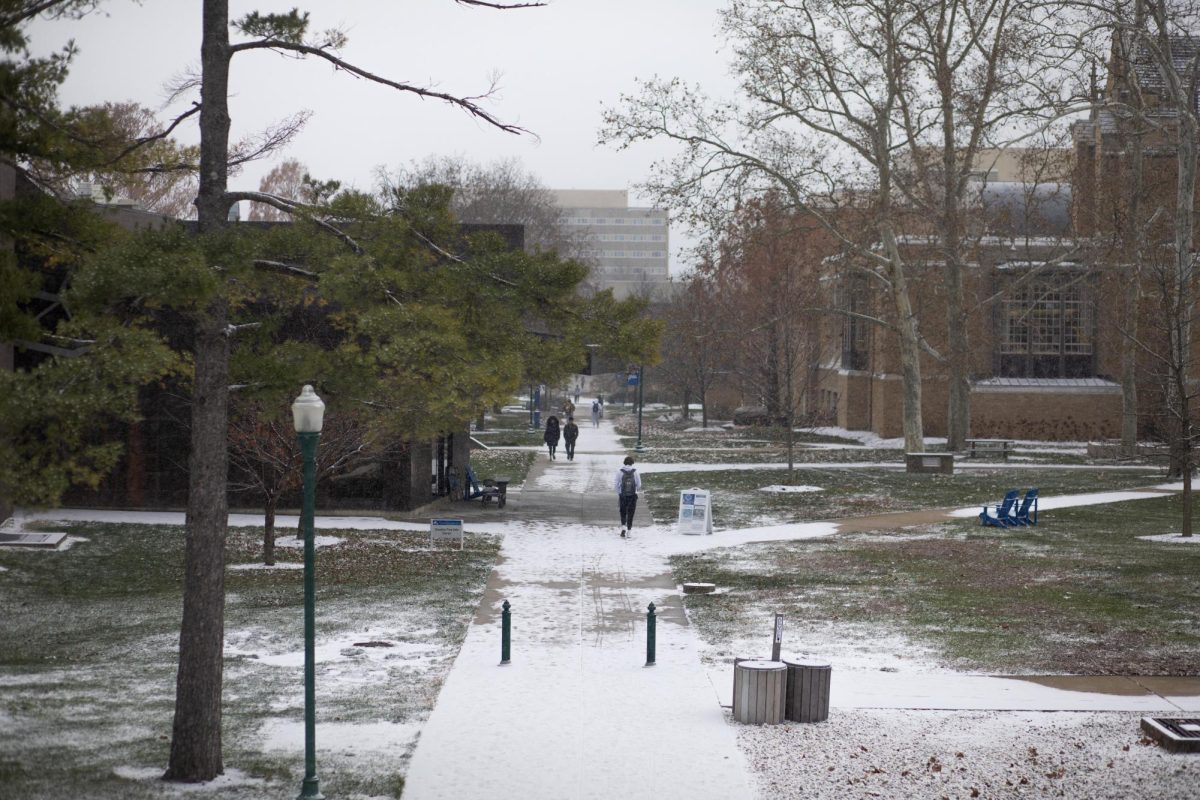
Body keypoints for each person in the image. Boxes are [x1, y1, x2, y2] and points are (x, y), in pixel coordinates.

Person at [613, 455, 641, 537]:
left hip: (623, 495)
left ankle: (623, 527)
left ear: (624, 462)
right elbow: (639, 484)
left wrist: (619, 492)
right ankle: (629, 532)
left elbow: (616, 484)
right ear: (632, 463)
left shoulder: (620, 471)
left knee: (623, 512)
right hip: (632, 495)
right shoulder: (635, 472)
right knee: (631, 513)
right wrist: (635, 490)